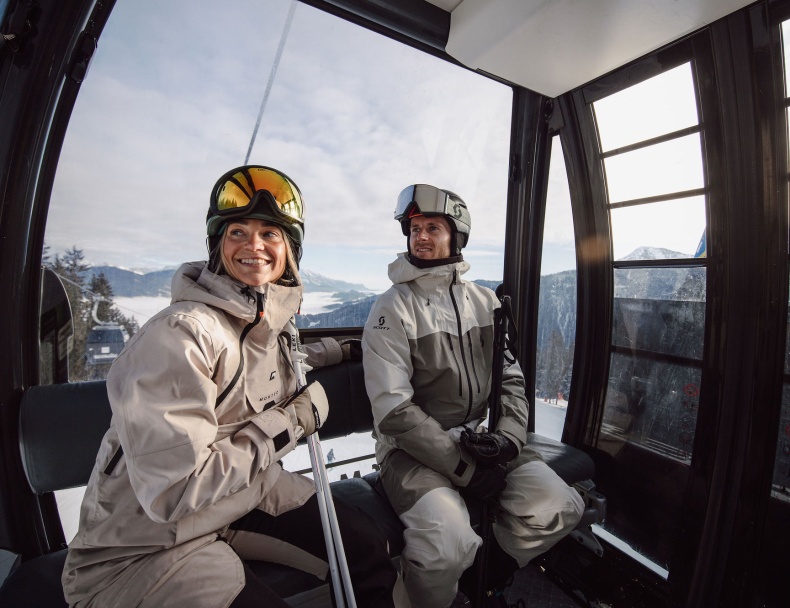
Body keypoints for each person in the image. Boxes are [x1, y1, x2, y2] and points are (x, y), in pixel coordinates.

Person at [62, 165, 410, 608]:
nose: (254, 246)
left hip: (239, 497)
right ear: (217, 246)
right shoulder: (179, 336)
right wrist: (293, 422)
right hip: (143, 546)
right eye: (237, 233)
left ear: (290, 249)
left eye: (271, 233)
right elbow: (175, 493)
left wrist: (337, 351)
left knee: (363, 543)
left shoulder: (264, 321)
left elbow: (265, 359)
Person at [361, 184, 585, 608]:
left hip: (481, 440)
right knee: (446, 545)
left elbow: (511, 383)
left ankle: (485, 577)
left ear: (456, 236)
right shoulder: (393, 308)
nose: (420, 237)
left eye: (432, 227)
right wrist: (466, 469)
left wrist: (507, 440)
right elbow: (393, 410)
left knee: (560, 506)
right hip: (409, 451)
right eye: (413, 229)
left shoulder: (485, 303)